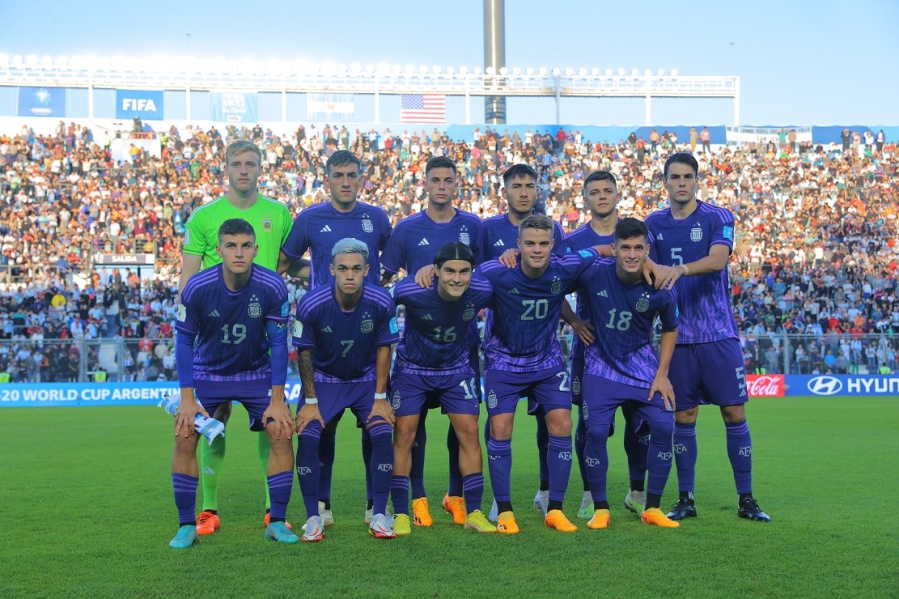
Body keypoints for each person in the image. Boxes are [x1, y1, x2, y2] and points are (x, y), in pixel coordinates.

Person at [644, 152, 770, 522]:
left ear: (697, 180)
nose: (681, 183)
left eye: (687, 177)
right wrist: (656, 268)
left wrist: (678, 269)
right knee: (684, 417)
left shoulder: (718, 216)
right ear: (664, 182)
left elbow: (718, 260)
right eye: (674, 177)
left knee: (733, 412)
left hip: (717, 333)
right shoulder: (653, 223)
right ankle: (686, 498)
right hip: (676, 336)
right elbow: (636, 256)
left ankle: (746, 498)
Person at [279, 149, 392, 526]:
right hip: (325, 329)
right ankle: (322, 506)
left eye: (352, 175)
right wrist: (320, 278)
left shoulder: (376, 217)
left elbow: (388, 262)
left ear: (361, 178)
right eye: (339, 175)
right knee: (321, 430)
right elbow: (285, 264)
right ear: (327, 178)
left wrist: (368, 287)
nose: (346, 181)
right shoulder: (310, 218)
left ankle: (373, 505)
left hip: (366, 330)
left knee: (373, 423)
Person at [170, 218, 296, 548]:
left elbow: (279, 344)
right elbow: (183, 343)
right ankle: (186, 524)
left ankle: (277, 521)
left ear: (255, 249)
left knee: (281, 430)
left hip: (256, 375)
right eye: (231, 246)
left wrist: (278, 399)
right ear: (219, 250)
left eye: (245, 246)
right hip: (209, 375)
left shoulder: (272, 286)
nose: (238, 252)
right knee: (185, 434)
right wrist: (187, 398)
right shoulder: (197, 287)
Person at [380, 155, 484, 528]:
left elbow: (485, 275)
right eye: (435, 180)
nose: (442, 186)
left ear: (457, 184)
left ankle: (458, 498)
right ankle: (416, 500)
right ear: (425, 184)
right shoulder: (407, 229)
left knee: (465, 427)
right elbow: (384, 282)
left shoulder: (473, 225)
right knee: (411, 427)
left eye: (448, 180)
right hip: (418, 347)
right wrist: (415, 278)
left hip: (462, 347)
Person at [477, 214, 598, 534]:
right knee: (500, 428)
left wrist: (574, 321)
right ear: (517, 245)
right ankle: (503, 509)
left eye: (543, 243)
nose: (536, 249)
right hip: (503, 362)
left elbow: (600, 250)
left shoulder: (564, 267)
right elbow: (460, 279)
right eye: (529, 243)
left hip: (546, 362)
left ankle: (555, 508)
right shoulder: (495, 271)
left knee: (562, 423)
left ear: (552, 245)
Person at [291, 238, 398, 541]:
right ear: (331, 270)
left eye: (355, 269)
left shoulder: (381, 302)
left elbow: (384, 350)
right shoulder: (312, 304)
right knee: (310, 437)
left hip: (365, 380)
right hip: (325, 380)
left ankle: (378, 513)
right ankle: (314, 516)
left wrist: (380, 398)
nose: (349, 275)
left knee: (381, 432)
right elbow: (305, 353)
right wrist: (310, 401)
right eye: (342, 269)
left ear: (366, 269)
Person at [576, 217, 680, 529]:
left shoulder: (660, 286)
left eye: (638, 248)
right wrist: (574, 322)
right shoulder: (594, 273)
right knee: (594, 433)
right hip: (600, 368)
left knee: (664, 428)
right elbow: (553, 278)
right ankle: (601, 508)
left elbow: (671, 329)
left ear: (648, 250)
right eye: (625, 248)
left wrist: (662, 374)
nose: (632, 254)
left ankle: (652, 507)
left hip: (642, 370)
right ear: (614, 249)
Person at [565, 170, 655, 520]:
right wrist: (574, 321)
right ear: (584, 199)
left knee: (641, 422)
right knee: (588, 426)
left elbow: (657, 278)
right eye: (594, 192)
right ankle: (589, 494)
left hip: (635, 348)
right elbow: (553, 285)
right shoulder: (573, 240)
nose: (602, 196)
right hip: (591, 348)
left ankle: (636, 490)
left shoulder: (639, 233)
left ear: (618, 195)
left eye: (608, 190)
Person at [389, 242, 496, 535]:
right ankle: (400, 512)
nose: (457, 278)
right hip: (412, 369)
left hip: (456, 368)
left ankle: (473, 511)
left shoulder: (482, 290)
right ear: (436, 271)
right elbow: (379, 305)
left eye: (464, 271)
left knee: (470, 432)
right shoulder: (410, 290)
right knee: (404, 434)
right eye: (449, 271)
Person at [481, 164, 569, 518]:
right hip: (503, 347)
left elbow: (557, 279)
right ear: (505, 190)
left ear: (537, 191)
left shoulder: (554, 228)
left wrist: (574, 320)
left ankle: (547, 491)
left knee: (552, 422)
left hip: (544, 347)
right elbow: (470, 276)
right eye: (516, 186)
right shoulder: (487, 228)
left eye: (529, 186)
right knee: (497, 424)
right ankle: (496, 499)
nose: (523, 192)